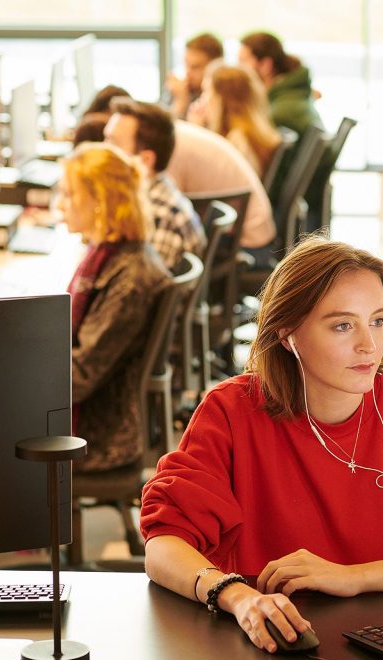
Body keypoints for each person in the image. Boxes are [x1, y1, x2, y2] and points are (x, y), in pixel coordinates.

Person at [139, 236, 383, 653]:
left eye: (379, 320)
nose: (369, 344)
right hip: (278, 645)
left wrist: (353, 576)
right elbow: (164, 546)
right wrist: (239, 598)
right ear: (287, 334)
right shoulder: (231, 411)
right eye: (343, 325)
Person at [59, 142, 172, 472]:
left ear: (100, 201)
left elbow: (80, 377)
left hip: (98, 434)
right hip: (97, 409)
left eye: (69, 195)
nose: (59, 205)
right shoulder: (107, 255)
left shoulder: (129, 279)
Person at [103, 98, 206, 270]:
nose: (101, 151)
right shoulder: (146, 194)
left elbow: (141, 290)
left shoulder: (159, 215)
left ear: (145, 160)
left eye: (113, 144)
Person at [166, 119, 276, 250]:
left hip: (245, 240)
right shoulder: (177, 133)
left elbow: (169, 206)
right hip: (251, 227)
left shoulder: (170, 145)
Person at [189, 63, 281, 177]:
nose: (202, 99)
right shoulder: (248, 134)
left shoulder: (238, 141)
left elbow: (210, 180)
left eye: (206, 91)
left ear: (222, 99)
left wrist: (196, 131)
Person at [238, 31, 323, 137]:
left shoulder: (280, 113)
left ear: (265, 64)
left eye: (243, 61)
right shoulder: (291, 95)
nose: (239, 68)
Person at [165, 33, 223, 120]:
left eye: (195, 67)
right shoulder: (179, 90)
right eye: (186, 64)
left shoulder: (220, 98)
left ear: (215, 67)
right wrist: (180, 102)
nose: (188, 72)